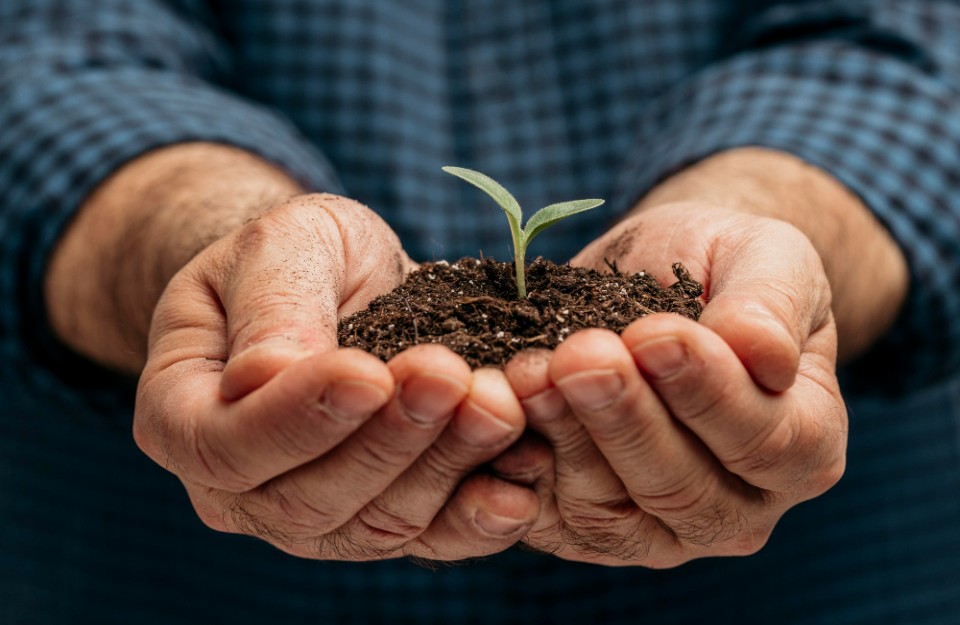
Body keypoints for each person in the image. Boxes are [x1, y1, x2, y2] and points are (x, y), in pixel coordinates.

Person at [1, 1, 957, 623]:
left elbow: (914, 50)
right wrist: (216, 245)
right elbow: (47, 54)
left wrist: (775, 223)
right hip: (168, 585)